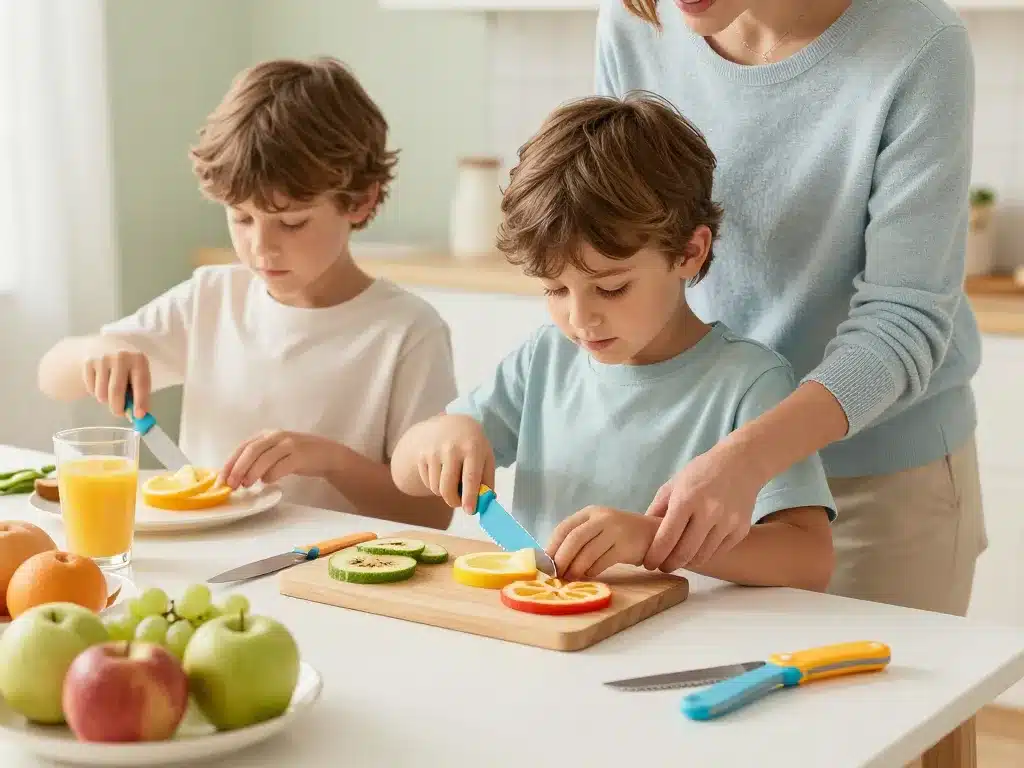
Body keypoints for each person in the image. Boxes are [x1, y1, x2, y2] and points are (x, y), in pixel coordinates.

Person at [593, 0, 986, 615]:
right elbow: (617, 250)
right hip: (701, 464)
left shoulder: (919, 43)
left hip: (873, 484)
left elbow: (903, 323)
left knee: (882, 708)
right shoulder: (634, 23)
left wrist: (745, 457)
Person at [391, 93, 836, 589]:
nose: (580, 319)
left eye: (610, 288)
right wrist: (441, 437)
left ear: (689, 251)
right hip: (551, 633)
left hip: (693, 643)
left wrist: (651, 540)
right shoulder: (545, 359)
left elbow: (809, 559)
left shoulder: (750, 382)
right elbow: (405, 474)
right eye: (555, 289)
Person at [37, 57, 456, 528]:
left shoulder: (407, 332)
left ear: (360, 201)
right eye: (241, 217)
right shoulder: (214, 298)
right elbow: (53, 375)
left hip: (336, 576)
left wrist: (328, 460)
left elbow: (431, 513)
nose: (260, 247)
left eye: (292, 223)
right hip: (215, 562)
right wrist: (100, 350)